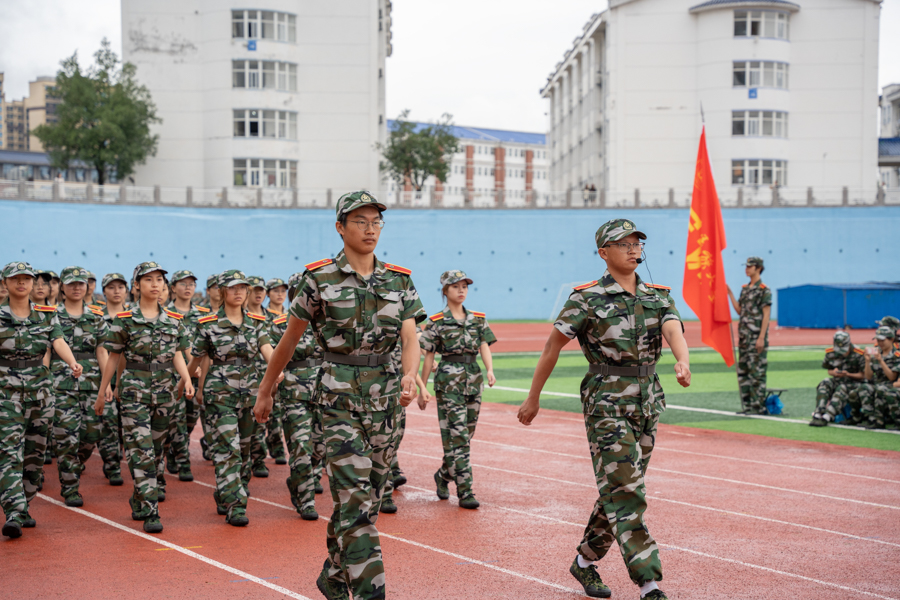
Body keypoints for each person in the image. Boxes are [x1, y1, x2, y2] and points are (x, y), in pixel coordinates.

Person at [254, 190, 425, 600]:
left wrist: (410, 374)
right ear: (340, 227)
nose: (370, 229)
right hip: (338, 401)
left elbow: (410, 336)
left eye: (376, 222)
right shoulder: (318, 279)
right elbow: (288, 341)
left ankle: (333, 573)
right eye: (360, 221)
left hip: (386, 401)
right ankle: (369, 593)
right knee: (354, 502)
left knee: (368, 502)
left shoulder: (399, 279)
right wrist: (265, 390)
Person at [517, 219, 690, 600]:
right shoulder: (586, 298)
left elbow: (673, 328)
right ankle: (649, 583)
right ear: (603, 252)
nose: (633, 249)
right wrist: (533, 397)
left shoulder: (658, 295)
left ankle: (584, 561)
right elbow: (552, 347)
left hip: (647, 399)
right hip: (607, 401)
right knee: (627, 489)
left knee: (621, 486)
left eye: (636, 243)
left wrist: (683, 359)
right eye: (623, 243)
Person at [94, 261, 194, 534]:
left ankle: (139, 498)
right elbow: (114, 357)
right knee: (141, 451)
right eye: (148, 280)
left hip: (165, 392)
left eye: (159, 279)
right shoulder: (125, 319)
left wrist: (186, 378)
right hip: (134, 392)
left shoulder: (173, 319)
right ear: (136, 285)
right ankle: (151, 510)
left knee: (157, 451)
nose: (155, 284)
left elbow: (177, 353)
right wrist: (104, 390)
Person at [186, 270, 280, 526]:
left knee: (245, 451)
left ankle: (226, 492)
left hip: (250, 394)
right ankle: (236, 505)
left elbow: (268, 350)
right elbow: (197, 358)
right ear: (222, 291)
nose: (238, 292)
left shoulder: (257, 323)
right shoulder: (207, 324)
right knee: (229, 450)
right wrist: (187, 380)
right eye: (232, 288)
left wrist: (276, 371)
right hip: (220, 395)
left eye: (242, 288)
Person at [1, 261, 83, 539]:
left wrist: (72, 362)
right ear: (5, 283)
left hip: (40, 392)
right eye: (15, 278)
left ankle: (24, 505)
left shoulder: (47, 314)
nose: (21, 283)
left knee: (34, 455)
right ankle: (14, 511)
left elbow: (57, 340)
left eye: (26, 279)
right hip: (5, 393)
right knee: (8, 452)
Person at [419, 270, 496, 510]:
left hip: (474, 378)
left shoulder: (478, 319)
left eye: (464, 286)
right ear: (445, 291)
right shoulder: (436, 322)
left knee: (466, 435)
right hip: (448, 382)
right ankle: (466, 491)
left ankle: (443, 474)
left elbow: (484, 345)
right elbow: (428, 356)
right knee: (459, 437)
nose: (461, 290)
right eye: (455, 286)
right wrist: (422, 388)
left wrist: (490, 369)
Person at [49, 266, 110, 507]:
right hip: (60, 384)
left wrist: (106, 383)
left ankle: (75, 465)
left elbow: (102, 351)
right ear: (62, 287)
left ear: (87, 287)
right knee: (66, 438)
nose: (76, 287)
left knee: (91, 434)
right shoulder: (51, 316)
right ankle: (70, 487)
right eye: (71, 283)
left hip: (91, 383)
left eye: (81, 283)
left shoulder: (96, 317)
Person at [270, 272, 325, 521]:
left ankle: (298, 480)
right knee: (301, 446)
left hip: (324, 390)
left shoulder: (326, 322)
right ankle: (306, 500)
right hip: (293, 391)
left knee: (321, 447)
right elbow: (273, 357)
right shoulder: (280, 324)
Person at [163, 270, 208, 483]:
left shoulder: (203, 315)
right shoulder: (165, 314)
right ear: (173, 288)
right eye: (183, 284)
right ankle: (183, 462)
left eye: (191, 284)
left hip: (197, 376)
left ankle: (173, 449)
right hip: (172, 376)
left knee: (191, 419)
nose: (188, 287)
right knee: (177, 420)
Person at [381, 331, 430, 514]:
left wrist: (422, 387)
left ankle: (392, 469)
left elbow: (413, 346)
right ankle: (384, 492)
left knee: (396, 435)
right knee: (380, 439)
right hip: (373, 386)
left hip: (396, 388)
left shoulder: (402, 329)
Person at [727, 256, 772, 415]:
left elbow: (766, 315)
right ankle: (747, 406)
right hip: (744, 339)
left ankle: (758, 406)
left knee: (757, 373)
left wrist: (761, 338)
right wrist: (730, 294)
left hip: (756, 338)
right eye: (746, 266)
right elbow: (740, 311)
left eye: (750, 266)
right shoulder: (745, 289)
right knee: (744, 372)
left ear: (758, 268)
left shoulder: (764, 290)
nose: (746, 269)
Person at [809, 331, 865, 427]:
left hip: (855, 383)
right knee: (825, 382)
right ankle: (818, 413)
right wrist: (834, 373)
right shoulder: (831, 353)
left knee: (842, 388)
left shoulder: (859, 354)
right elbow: (829, 370)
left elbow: (863, 375)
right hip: (838, 380)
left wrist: (848, 374)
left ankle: (828, 416)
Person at [856, 326, 900, 430]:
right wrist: (867, 361)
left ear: (891, 339)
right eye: (878, 340)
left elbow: (892, 377)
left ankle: (882, 421)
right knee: (864, 387)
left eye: (882, 340)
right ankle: (871, 418)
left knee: (880, 389)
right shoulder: (877, 352)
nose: (880, 343)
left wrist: (881, 361)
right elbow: (868, 376)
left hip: (891, 384)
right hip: (878, 383)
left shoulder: (897, 355)